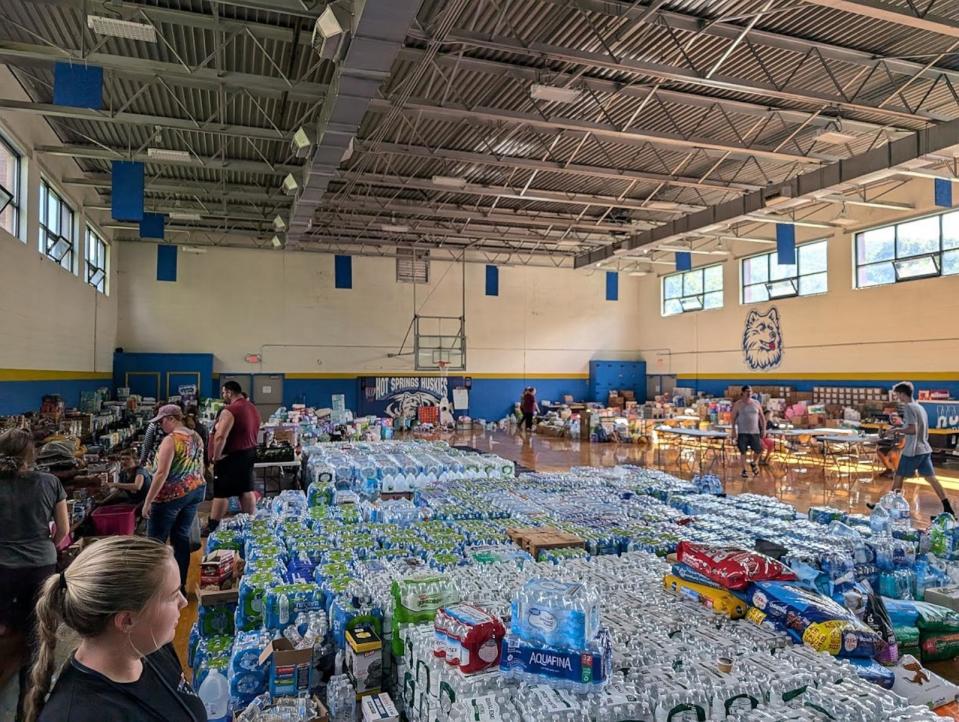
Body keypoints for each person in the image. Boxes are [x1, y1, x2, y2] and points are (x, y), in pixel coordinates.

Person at [24, 536, 204, 722]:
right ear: (126, 621)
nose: (183, 602)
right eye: (173, 595)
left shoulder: (151, 646)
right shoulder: (77, 714)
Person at [0, 428, 70, 721]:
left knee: (7, 632)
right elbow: (64, 531)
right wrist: (46, 548)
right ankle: (28, 709)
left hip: (4, 569)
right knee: (38, 636)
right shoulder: (50, 483)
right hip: (41, 567)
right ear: (32, 454)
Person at [141, 405, 205, 594]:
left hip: (171, 496)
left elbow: (161, 473)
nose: (160, 426)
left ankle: (155, 589)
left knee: (155, 544)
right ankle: (180, 587)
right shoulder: (196, 436)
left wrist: (147, 501)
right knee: (181, 538)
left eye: (161, 421)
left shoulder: (171, 440)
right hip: (194, 491)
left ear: (171, 418)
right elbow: (200, 465)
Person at [884, 382, 954, 516]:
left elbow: (913, 429)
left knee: (898, 477)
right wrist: (901, 425)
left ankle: (888, 507)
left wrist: (895, 430)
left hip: (912, 451)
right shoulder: (919, 407)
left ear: (902, 394)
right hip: (924, 449)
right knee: (931, 479)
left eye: (897, 395)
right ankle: (948, 507)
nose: (897, 398)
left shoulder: (909, 407)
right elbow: (916, 426)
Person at [206, 381, 260, 534]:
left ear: (229, 392)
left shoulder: (230, 410)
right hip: (248, 454)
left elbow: (220, 436)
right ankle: (251, 521)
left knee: (221, 493)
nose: (223, 396)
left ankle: (213, 525)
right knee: (246, 489)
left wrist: (216, 457)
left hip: (231, 456)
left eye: (224, 393)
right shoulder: (252, 408)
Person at [730, 385, 766, 478]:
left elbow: (762, 417)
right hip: (743, 432)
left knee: (759, 449)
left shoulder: (756, 403)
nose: (749, 393)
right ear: (742, 392)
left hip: (755, 431)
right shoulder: (738, 404)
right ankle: (743, 470)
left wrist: (764, 429)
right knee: (743, 451)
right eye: (747, 391)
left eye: (750, 391)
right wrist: (733, 430)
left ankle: (754, 463)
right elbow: (733, 418)